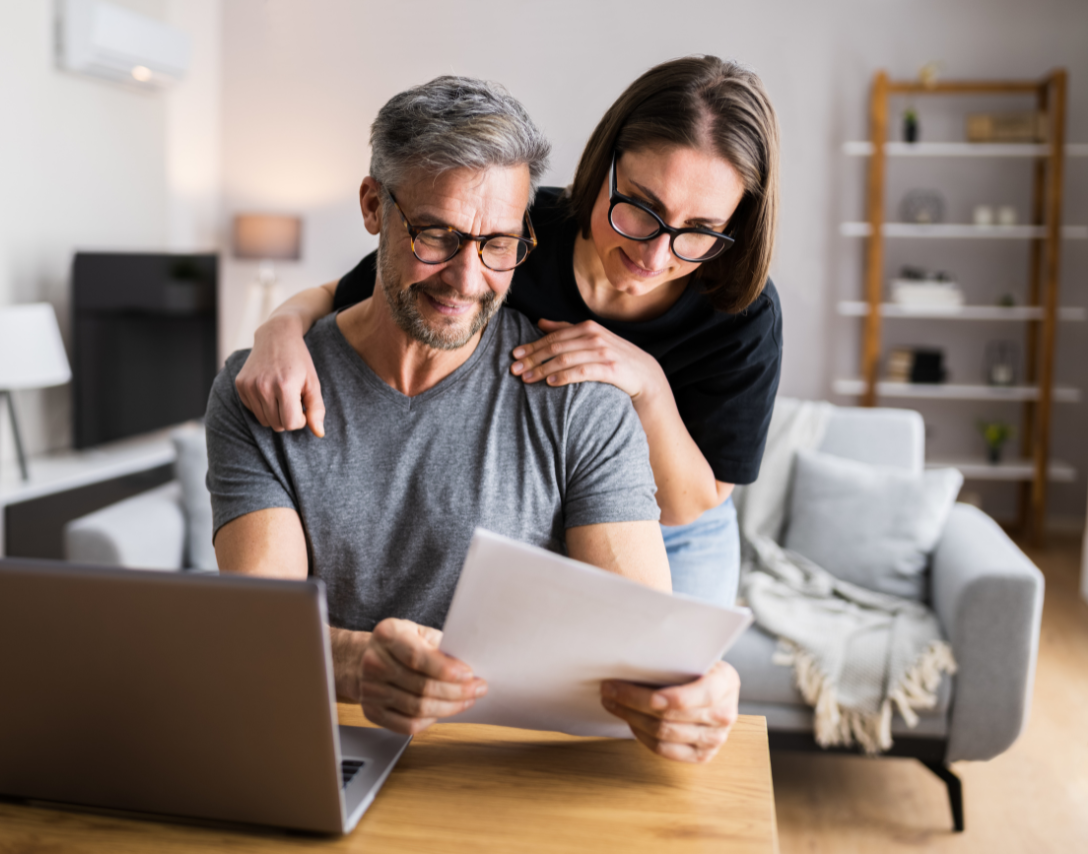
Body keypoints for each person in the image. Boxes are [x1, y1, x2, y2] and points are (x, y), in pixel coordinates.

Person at [208, 76, 740, 764]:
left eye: (499, 244)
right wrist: (354, 664)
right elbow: (257, 630)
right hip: (325, 753)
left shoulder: (582, 398)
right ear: (374, 207)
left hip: (507, 775)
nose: (466, 279)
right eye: (437, 235)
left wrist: (705, 687)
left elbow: (644, 648)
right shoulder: (266, 390)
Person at [236, 56, 783, 608]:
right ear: (604, 166)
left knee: (666, 678)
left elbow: (691, 503)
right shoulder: (508, 228)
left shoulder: (742, 310)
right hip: (562, 499)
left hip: (678, 529)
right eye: (641, 207)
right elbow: (350, 293)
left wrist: (647, 383)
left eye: (700, 231)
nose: (655, 253)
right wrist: (278, 330)